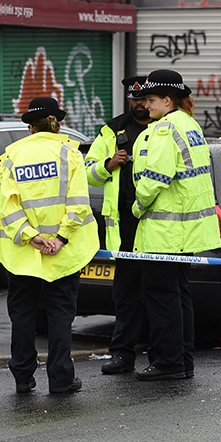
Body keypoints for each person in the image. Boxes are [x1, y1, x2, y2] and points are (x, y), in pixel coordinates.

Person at [0, 97, 98, 394]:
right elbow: (79, 204)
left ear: (31, 127)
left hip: (23, 253)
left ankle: (22, 376)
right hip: (63, 252)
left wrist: (31, 236)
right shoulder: (69, 153)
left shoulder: (13, 156)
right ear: (57, 123)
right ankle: (61, 378)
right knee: (60, 316)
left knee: (22, 315)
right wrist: (60, 238)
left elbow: (7, 206)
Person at [130, 69, 221, 381]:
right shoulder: (189, 125)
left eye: (152, 99)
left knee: (161, 297)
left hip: (164, 233)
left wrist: (137, 206)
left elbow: (155, 178)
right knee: (178, 295)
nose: (147, 105)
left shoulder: (165, 129)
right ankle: (182, 360)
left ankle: (168, 361)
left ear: (167, 100)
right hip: (186, 232)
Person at [84, 75, 153, 375]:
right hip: (125, 226)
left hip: (157, 224)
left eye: (144, 100)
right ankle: (122, 354)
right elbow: (87, 172)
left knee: (158, 294)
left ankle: (162, 355)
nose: (140, 105)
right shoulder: (113, 130)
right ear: (129, 100)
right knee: (125, 294)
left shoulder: (164, 126)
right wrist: (107, 164)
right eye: (135, 100)